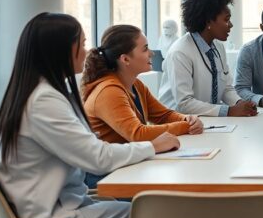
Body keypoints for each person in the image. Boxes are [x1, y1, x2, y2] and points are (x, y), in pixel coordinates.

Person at [0, 13, 180, 218]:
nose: (87, 51)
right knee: (150, 217)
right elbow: (97, 157)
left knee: (143, 212)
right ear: (61, 50)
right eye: (82, 44)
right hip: (52, 217)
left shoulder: (40, 93)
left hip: (63, 202)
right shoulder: (43, 101)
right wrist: (153, 146)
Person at [81, 25, 204, 187]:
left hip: (127, 167)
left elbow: (163, 115)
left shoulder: (136, 85)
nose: (151, 53)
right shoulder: (108, 91)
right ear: (125, 59)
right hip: (107, 177)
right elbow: (138, 134)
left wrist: (188, 119)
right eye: (145, 49)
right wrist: (186, 126)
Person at [158, 0, 257, 117]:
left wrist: (240, 104)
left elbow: (226, 88)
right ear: (208, 21)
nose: (231, 25)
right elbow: (184, 103)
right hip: (175, 121)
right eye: (226, 20)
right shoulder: (180, 52)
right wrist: (228, 111)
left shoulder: (218, 47)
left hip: (206, 120)